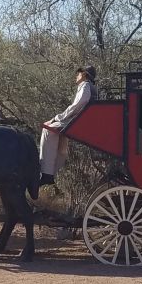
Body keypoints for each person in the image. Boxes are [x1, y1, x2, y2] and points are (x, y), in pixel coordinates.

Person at [32, 65, 98, 196]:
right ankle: (52, 172)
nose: (76, 75)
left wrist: (57, 118)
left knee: (48, 130)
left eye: (78, 73)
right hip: (81, 120)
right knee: (62, 142)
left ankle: (46, 173)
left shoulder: (85, 86)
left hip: (78, 121)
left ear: (84, 75)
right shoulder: (91, 87)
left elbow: (77, 105)